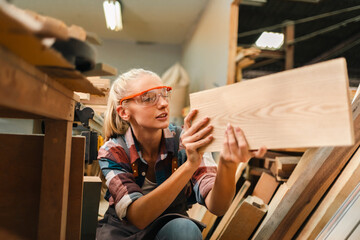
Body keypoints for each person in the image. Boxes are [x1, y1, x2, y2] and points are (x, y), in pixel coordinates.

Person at [96, 68, 266, 240]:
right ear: (124, 112)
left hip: (170, 227)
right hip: (124, 232)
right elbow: (138, 218)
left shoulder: (187, 141)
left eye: (164, 94)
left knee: (185, 229)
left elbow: (217, 206)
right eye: (149, 98)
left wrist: (228, 164)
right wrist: (189, 166)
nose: (163, 104)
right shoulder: (113, 151)